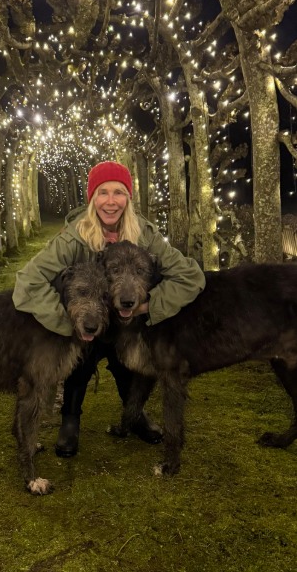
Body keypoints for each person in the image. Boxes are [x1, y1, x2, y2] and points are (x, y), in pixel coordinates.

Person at [13, 160, 205, 457]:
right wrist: (65, 320)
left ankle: (134, 414)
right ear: (92, 198)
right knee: (80, 365)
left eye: (118, 192)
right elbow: (27, 282)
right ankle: (70, 420)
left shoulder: (145, 234)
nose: (111, 201)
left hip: (129, 321)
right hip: (87, 320)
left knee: (127, 365)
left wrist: (148, 307)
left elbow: (191, 277)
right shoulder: (74, 236)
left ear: (128, 197)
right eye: (103, 192)